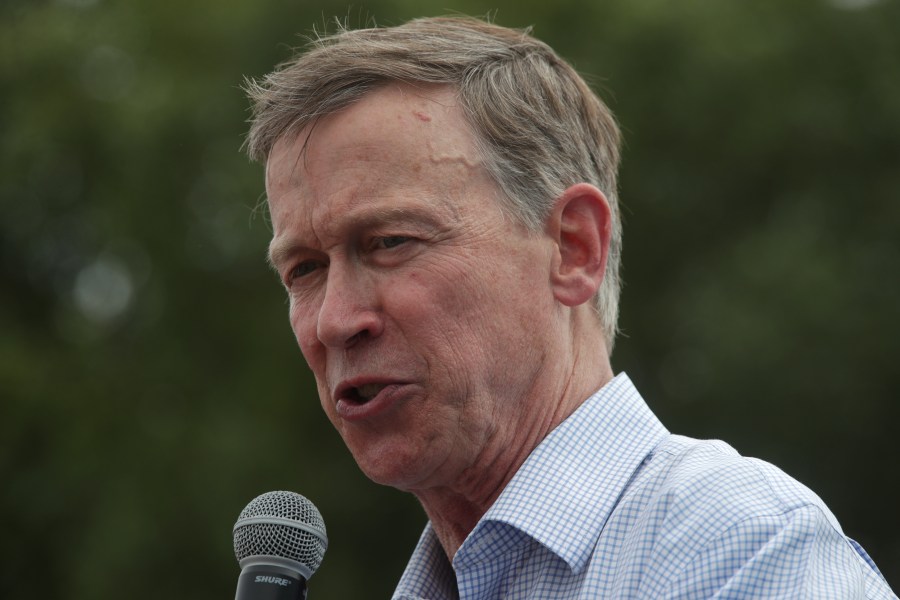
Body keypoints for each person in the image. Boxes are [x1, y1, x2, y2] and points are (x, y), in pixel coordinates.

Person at [244, 15, 897, 599]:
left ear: (573, 247)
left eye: (389, 242)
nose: (335, 320)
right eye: (304, 268)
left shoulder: (733, 549)